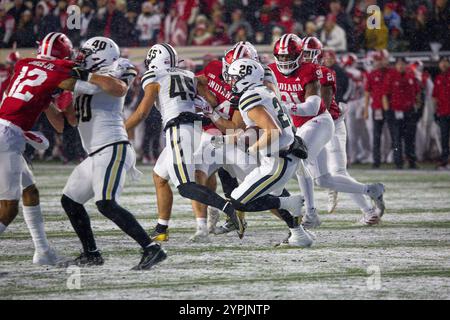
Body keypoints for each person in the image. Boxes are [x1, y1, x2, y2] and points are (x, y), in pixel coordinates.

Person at [60, 37, 166, 270]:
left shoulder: (116, 68)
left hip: (112, 146)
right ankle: (92, 253)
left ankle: (152, 248)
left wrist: (78, 77)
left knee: (106, 203)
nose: (81, 57)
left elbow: (118, 89)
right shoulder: (86, 79)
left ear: (100, 55)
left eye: (86, 53)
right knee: (70, 201)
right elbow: (69, 119)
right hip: (96, 152)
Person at [269, 34, 385, 230]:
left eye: (310, 53)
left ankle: (313, 213)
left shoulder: (319, 72)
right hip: (304, 125)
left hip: (327, 122)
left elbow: (322, 105)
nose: (306, 57)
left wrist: (285, 107)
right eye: (304, 53)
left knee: (319, 166)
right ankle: (370, 193)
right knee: (323, 179)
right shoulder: (276, 71)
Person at [0, 32, 81, 265]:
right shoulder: (58, 70)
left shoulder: (24, 64)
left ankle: (43, 251)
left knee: (30, 191)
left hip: (8, 131)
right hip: (8, 136)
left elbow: (58, 123)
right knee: (8, 209)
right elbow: (69, 118)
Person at [382, 57, 421, 169]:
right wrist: (387, 111)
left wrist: (417, 107)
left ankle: (412, 161)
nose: (401, 66)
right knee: (396, 138)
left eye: (403, 64)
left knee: (410, 138)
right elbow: (385, 95)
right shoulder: (391, 76)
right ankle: (398, 162)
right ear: (395, 65)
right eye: (399, 64)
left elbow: (417, 93)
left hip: (409, 111)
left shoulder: (411, 76)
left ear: (406, 65)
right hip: (395, 111)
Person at [364, 50, 391, 169]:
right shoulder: (372, 74)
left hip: (392, 107)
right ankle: (377, 160)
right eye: (377, 60)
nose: (379, 62)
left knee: (393, 134)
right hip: (377, 108)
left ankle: (392, 157)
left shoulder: (391, 72)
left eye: (381, 60)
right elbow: (367, 93)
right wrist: (365, 109)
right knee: (376, 135)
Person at [432, 57, 450, 170]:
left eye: (445, 62)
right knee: (444, 138)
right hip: (443, 113)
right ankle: (445, 161)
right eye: (441, 62)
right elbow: (435, 97)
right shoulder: (438, 78)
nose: (443, 64)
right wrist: (435, 111)